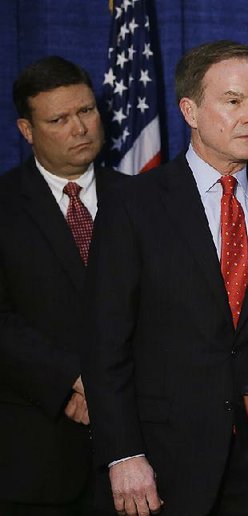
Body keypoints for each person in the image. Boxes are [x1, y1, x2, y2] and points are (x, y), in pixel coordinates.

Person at [82, 40, 248, 515]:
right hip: (161, 466)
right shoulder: (134, 206)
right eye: (233, 101)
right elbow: (105, 344)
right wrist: (123, 453)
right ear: (190, 110)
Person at [0, 56, 124, 515]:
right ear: (27, 129)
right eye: (59, 119)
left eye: (87, 112)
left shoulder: (143, 200)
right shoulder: (5, 206)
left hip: (135, 452)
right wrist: (73, 381)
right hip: (37, 457)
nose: (80, 129)